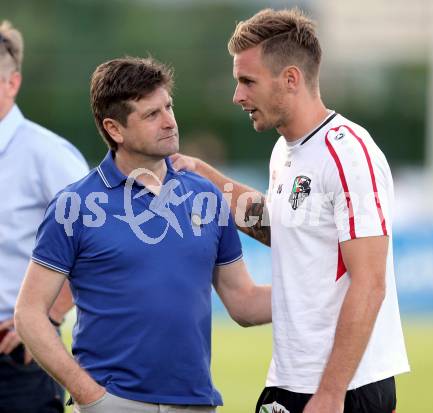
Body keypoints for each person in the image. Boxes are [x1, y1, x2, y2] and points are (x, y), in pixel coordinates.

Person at [171, 8, 410, 413]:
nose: (237, 96)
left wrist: (331, 393)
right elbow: (279, 226)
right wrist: (203, 175)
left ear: (291, 79)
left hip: (346, 389)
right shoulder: (285, 151)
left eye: (247, 81)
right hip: (290, 378)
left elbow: (369, 283)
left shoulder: (349, 152)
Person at [14, 56, 271, 413]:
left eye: (168, 107)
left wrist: (320, 292)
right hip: (113, 403)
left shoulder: (206, 195)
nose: (169, 122)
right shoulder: (74, 204)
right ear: (114, 129)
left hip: (196, 403)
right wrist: (91, 397)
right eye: (151, 115)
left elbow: (244, 302)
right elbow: (29, 312)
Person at [0, 20, 89, 412]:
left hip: (17, 359)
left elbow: (97, 241)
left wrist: (48, 317)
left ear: (12, 83)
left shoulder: (47, 154)